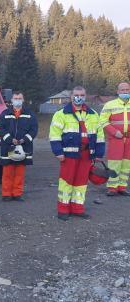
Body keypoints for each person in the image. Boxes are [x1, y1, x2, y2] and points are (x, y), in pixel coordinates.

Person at [50, 86, 105, 221]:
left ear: (85, 97)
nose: (78, 97)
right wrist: (58, 152)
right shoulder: (61, 114)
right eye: (76, 95)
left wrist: (99, 153)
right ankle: (63, 209)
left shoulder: (93, 114)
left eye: (81, 95)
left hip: (86, 155)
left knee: (81, 183)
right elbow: (54, 135)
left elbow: (100, 135)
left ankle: (77, 208)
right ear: (71, 96)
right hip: (68, 155)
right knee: (66, 182)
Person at [0, 92, 38, 201]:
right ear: (11, 100)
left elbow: (34, 130)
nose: (17, 100)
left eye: (19, 98)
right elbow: (1, 129)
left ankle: (17, 194)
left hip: (24, 147)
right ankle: (6, 194)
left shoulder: (30, 114)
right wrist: (10, 139)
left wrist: (24, 139)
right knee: (7, 172)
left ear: (23, 99)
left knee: (19, 173)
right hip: (8, 147)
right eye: (15, 98)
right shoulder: (5, 113)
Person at [99, 82, 130, 196]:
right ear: (117, 91)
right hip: (116, 138)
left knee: (127, 164)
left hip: (129, 139)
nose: (125, 92)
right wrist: (113, 132)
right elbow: (102, 120)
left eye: (127, 90)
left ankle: (122, 187)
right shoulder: (109, 105)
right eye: (122, 90)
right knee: (114, 163)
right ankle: (112, 187)